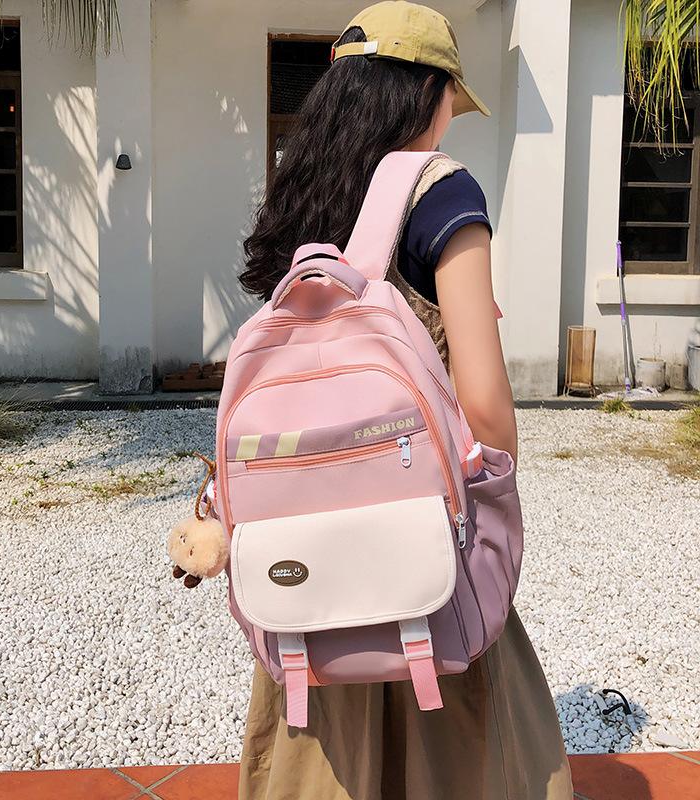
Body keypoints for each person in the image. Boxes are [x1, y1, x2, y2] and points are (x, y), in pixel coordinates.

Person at [235, 3, 573, 798]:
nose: (452, 115)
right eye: (454, 96)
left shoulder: (303, 197)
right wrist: (494, 504)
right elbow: (483, 404)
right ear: (427, 90)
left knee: (320, 758)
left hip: (306, 546)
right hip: (419, 542)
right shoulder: (441, 191)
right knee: (460, 741)